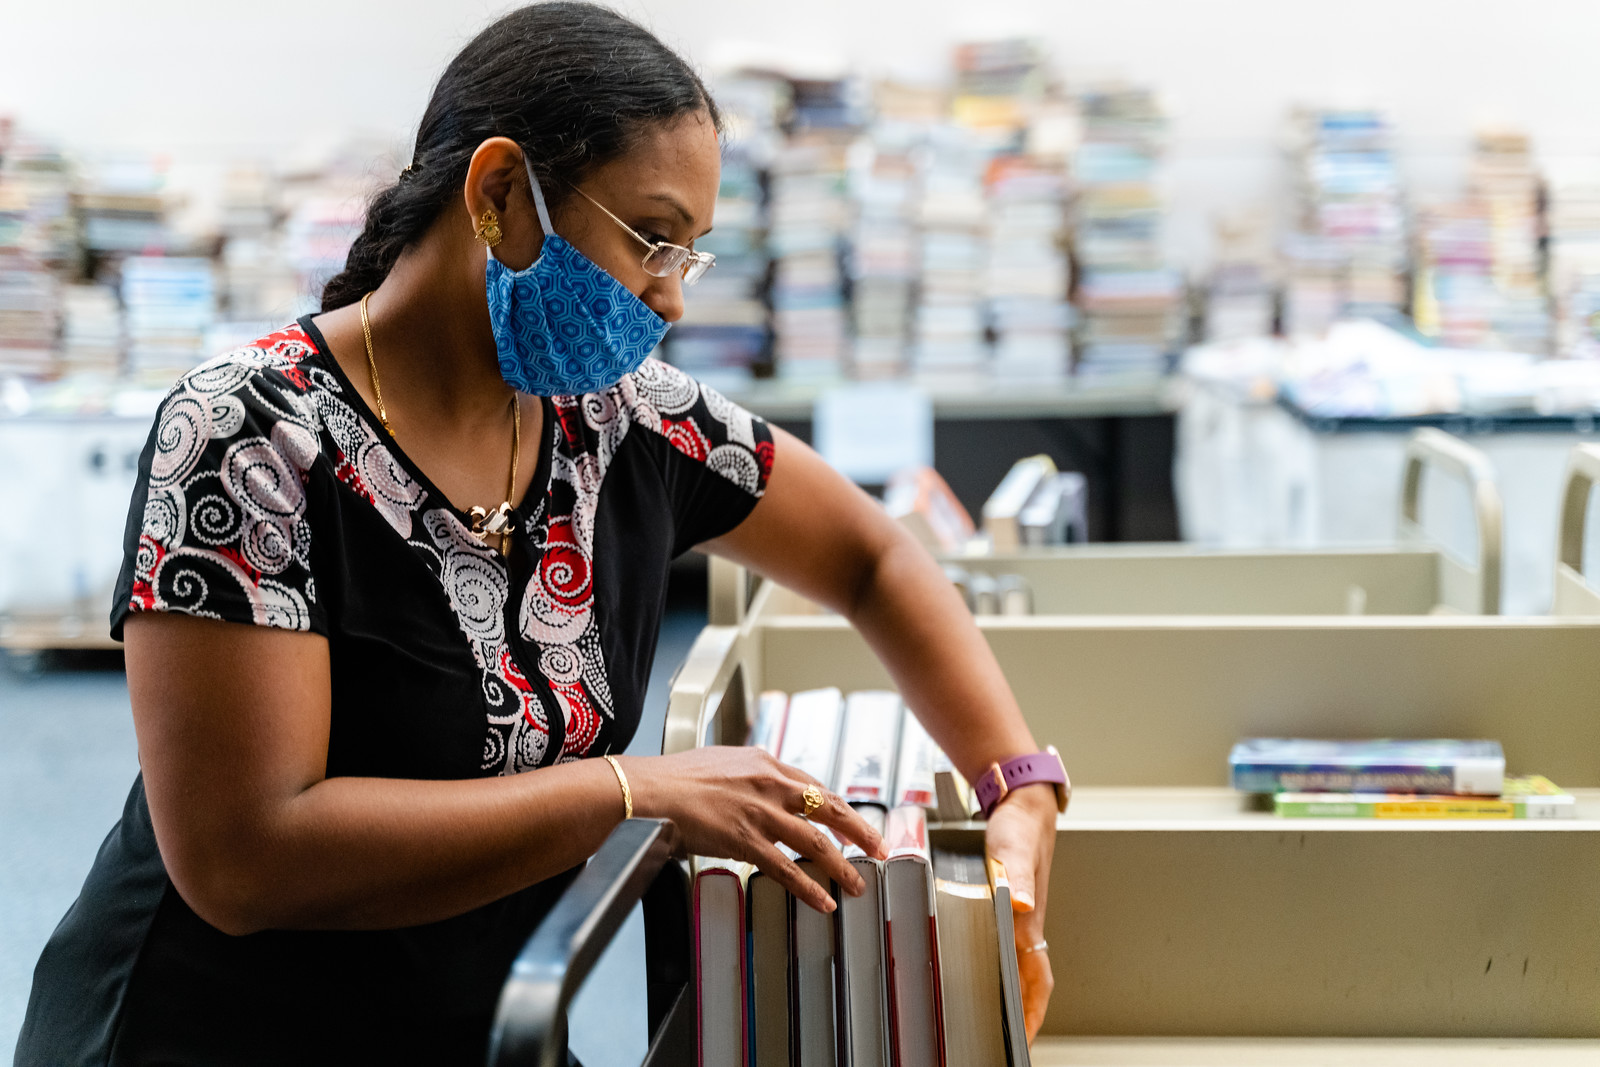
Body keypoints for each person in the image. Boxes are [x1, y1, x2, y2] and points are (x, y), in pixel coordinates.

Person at [16, 4, 1059, 1062]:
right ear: (500, 192)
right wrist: (627, 790)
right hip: (204, 1032)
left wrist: (1017, 785)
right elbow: (244, 859)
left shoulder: (623, 420)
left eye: (688, 257)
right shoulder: (250, 434)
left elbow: (871, 553)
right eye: (653, 240)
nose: (669, 299)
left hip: (462, 1025)